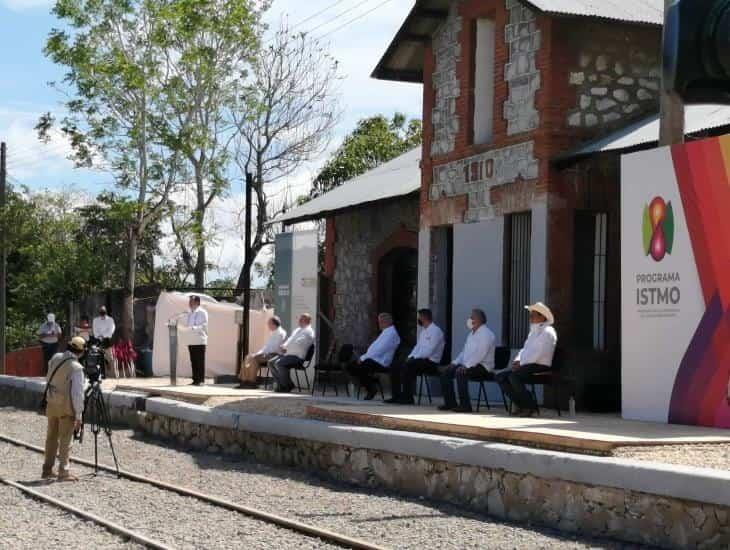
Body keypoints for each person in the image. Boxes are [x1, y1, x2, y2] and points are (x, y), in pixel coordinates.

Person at [497, 302, 557, 417]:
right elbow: (524, 349)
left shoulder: (548, 331)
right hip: (527, 364)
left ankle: (530, 406)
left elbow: (539, 353)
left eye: (533, 315)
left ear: (542, 317)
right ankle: (521, 404)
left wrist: (521, 363)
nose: (530, 317)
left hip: (540, 364)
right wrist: (517, 360)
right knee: (500, 376)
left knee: (514, 376)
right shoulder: (533, 332)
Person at [42, 336, 86, 481]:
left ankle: (47, 469)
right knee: (66, 440)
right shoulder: (76, 368)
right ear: (80, 352)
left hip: (51, 402)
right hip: (66, 407)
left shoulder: (55, 357)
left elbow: (48, 377)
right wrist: (79, 415)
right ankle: (63, 471)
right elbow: (77, 394)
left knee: (51, 438)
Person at [438, 309, 495, 413]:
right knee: (446, 372)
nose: (470, 319)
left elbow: (480, 354)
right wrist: (454, 363)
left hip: (483, 366)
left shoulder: (486, 334)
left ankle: (465, 405)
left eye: (472, 317)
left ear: (479, 319)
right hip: (470, 364)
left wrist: (467, 366)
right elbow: (464, 352)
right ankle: (450, 403)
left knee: (460, 373)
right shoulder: (471, 334)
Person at [385, 309, 444, 405]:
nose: (418, 319)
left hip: (431, 362)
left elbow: (429, 351)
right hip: (419, 359)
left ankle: (407, 397)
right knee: (395, 365)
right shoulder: (424, 331)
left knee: (408, 365)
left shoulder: (436, 331)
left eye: (419, 317)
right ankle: (396, 396)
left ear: (424, 317)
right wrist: (411, 356)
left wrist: (413, 358)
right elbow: (418, 347)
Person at [347, 313, 401, 401]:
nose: (379, 324)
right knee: (351, 366)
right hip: (374, 359)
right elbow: (373, 349)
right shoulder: (385, 332)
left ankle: (371, 388)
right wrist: (363, 358)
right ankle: (370, 385)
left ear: (385, 322)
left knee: (364, 364)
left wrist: (362, 358)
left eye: (380, 322)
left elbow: (379, 350)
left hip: (382, 362)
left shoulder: (391, 334)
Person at [237, 316, 287, 389]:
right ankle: (244, 380)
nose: (268, 325)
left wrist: (260, 354)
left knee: (253, 359)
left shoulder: (281, 333)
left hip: (274, 355)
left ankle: (251, 382)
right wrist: (257, 353)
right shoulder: (273, 333)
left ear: (273, 324)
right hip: (268, 353)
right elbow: (265, 347)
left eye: (269, 323)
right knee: (248, 357)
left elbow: (275, 348)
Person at [269, 313, 315, 393]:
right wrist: (283, 346)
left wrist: (286, 348)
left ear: (307, 321)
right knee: (271, 362)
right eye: (299, 319)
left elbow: (299, 344)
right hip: (289, 354)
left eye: (301, 319)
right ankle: (282, 386)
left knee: (279, 363)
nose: (299, 320)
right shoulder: (297, 330)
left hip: (298, 356)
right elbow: (290, 340)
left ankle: (287, 386)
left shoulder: (309, 332)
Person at [184, 295, 209, 386]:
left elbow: (204, 325)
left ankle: (201, 380)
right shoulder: (190, 313)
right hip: (191, 339)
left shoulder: (202, 312)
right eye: (189, 302)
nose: (189, 303)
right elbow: (188, 325)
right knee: (193, 360)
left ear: (197, 302)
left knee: (199, 360)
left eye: (191, 302)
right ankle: (195, 379)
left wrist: (194, 328)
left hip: (199, 339)